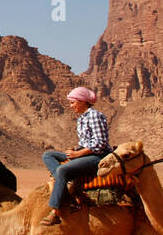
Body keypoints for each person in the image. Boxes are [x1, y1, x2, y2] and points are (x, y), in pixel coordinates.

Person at [40, 87, 110, 226]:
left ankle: (55, 211)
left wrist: (78, 154)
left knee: (62, 170)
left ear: (82, 101)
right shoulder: (82, 118)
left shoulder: (94, 116)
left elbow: (100, 143)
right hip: (83, 154)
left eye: (73, 102)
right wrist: (75, 151)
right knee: (48, 155)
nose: (71, 106)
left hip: (98, 156)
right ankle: (67, 184)